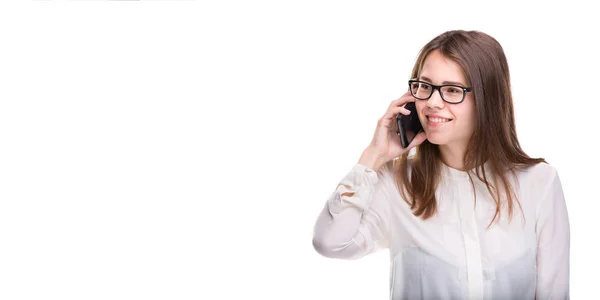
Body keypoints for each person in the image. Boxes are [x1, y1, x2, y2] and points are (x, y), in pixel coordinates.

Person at [312, 30, 570, 299]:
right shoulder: (396, 183)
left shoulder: (540, 182)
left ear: (487, 99)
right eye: (424, 86)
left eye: (451, 90)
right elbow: (330, 243)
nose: (432, 103)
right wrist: (374, 155)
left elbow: (555, 293)